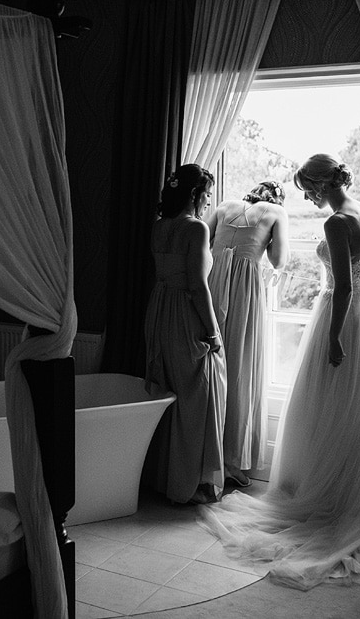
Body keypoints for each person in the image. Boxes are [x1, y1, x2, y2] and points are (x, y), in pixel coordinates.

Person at [198, 154, 360, 589]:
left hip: (342, 315)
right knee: (355, 410)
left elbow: (345, 285)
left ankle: (329, 499)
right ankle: (352, 495)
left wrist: (334, 337)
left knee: (327, 407)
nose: (308, 199)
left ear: (319, 185)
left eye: (308, 190)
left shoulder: (336, 223)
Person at [144, 163, 227, 505]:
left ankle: (166, 479)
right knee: (198, 397)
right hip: (184, 315)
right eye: (207, 194)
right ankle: (191, 484)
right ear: (194, 194)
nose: (209, 202)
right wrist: (212, 333)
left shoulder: (160, 226)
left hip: (160, 309)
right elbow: (197, 286)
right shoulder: (195, 230)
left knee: (169, 393)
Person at [206, 180, 289, 490]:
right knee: (241, 369)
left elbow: (202, 238)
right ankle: (231, 461)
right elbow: (279, 260)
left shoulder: (225, 205)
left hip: (213, 283)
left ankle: (206, 456)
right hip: (244, 291)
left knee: (212, 366)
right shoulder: (277, 211)